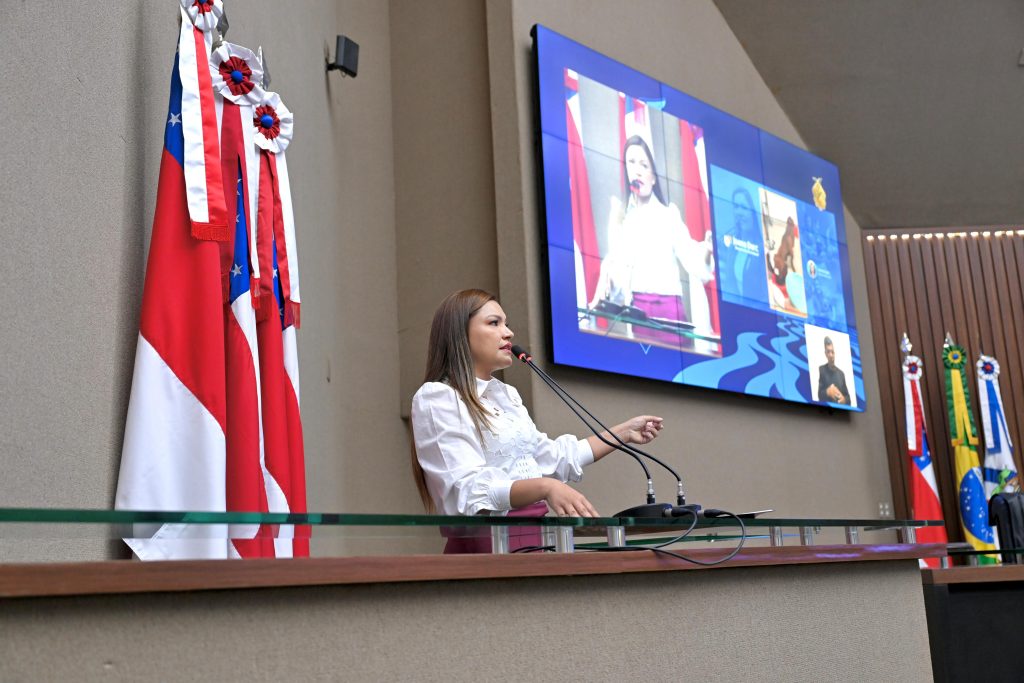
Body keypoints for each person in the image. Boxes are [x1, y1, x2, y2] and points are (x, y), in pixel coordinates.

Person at [410, 289, 664, 553]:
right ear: (459, 333)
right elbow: (465, 490)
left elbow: (549, 460)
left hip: (537, 541)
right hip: (484, 549)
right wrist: (545, 487)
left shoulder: (506, 396)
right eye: (494, 323)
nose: (508, 333)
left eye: (506, 324)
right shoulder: (438, 397)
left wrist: (623, 433)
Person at [588, 136, 714, 350]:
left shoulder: (668, 214)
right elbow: (617, 281)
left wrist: (708, 251)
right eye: (631, 163)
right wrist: (608, 284)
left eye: (644, 165)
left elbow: (693, 259)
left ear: (654, 177)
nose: (637, 170)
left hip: (670, 313)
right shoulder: (622, 218)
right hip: (638, 315)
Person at [817, 336, 850, 405]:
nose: (831, 355)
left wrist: (844, 400)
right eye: (828, 352)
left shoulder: (841, 374)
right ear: (825, 354)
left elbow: (848, 397)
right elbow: (819, 395)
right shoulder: (821, 370)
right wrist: (827, 392)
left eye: (832, 352)